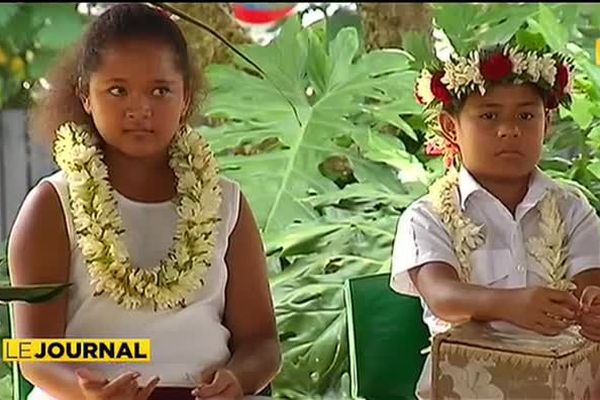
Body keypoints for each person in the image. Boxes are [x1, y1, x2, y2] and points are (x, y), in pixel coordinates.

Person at [8, 4, 280, 400]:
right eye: (117, 90)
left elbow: (262, 343)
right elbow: (33, 355)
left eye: (160, 90)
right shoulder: (52, 205)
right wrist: (86, 394)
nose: (140, 109)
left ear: (185, 98)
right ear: (85, 95)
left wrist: (238, 379)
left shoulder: (226, 204)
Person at [391, 40, 600, 399]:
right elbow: (442, 296)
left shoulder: (571, 208)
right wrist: (510, 304)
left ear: (546, 123)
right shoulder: (427, 216)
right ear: (450, 127)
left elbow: (590, 282)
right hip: (465, 388)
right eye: (489, 116)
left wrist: (594, 309)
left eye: (526, 116)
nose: (509, 130)